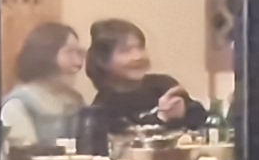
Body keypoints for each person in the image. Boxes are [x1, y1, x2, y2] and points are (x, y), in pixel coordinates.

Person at [83, 19, 207, 147]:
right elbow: (126, 142)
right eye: (125, 51)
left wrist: (184, 111)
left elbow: (201, 120)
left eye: (140, 47)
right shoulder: (103, 106)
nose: (137, 56)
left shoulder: (162, 85)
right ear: (103, 61)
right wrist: (162, 118)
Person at [1, 21, 92, 157]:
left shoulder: (75, 100)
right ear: (44, 54)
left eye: (79, 54)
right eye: (69, 52)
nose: (78, 63)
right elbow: (23, 155)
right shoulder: (19, 103)